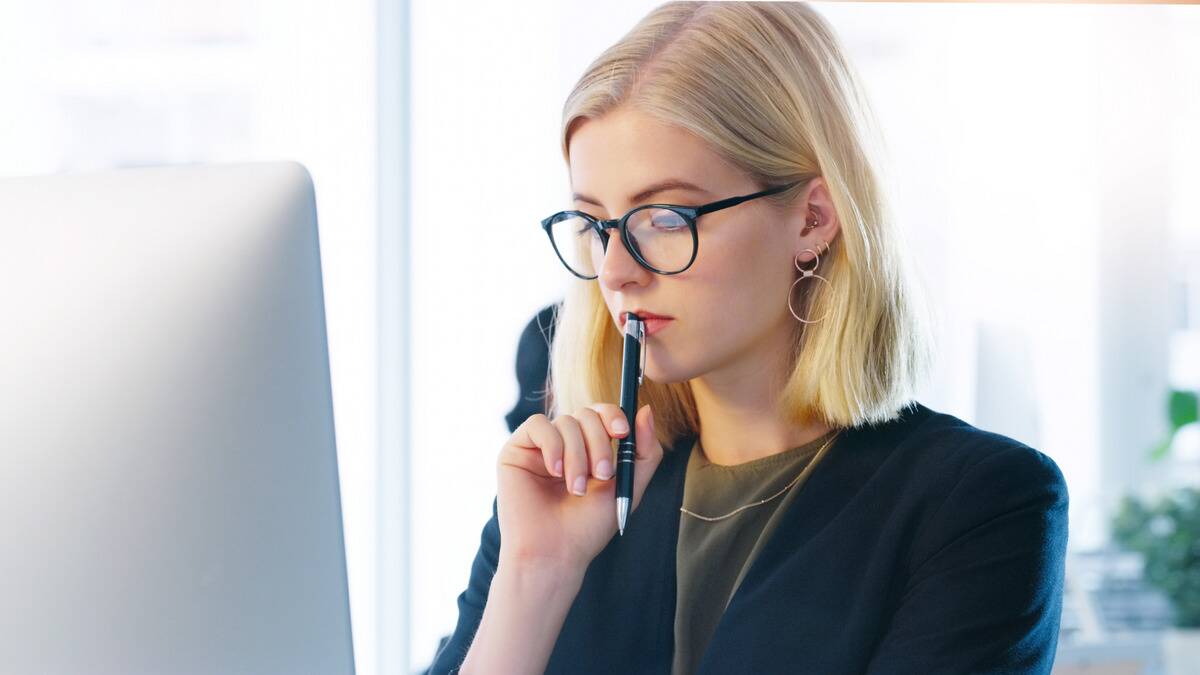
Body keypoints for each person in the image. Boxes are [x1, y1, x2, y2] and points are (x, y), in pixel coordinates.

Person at [426, 2, 1068, 673]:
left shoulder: (979, 506)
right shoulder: (566, 486)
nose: (616, 271)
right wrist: (535, 575)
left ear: (813, 218)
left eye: (666, 217)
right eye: (594, 224)